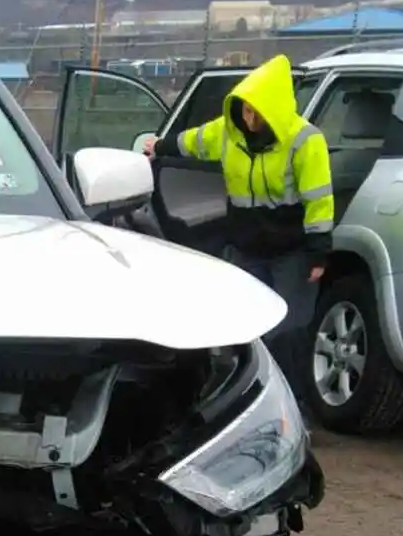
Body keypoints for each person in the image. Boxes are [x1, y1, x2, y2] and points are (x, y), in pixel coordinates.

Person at [142, 55, 333, 383]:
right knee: (241, 323)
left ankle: (290, 396)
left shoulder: (305, 140)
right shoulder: (229, 132)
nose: (250, 118)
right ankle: (239, 388)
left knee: (289, 329)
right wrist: (160, 146)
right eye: (245, 110)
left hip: (292, 248)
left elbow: (319, 198)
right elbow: (195, 141)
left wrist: (318, 252)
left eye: (257, 112)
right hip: (247, 244)